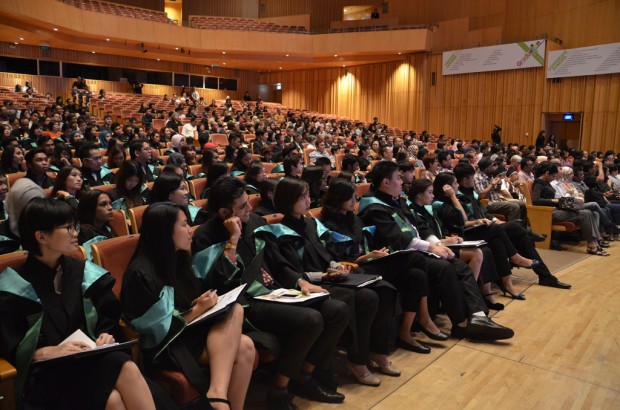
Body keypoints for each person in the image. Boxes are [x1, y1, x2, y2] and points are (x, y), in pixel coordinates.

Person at [192, 177, 350, 408]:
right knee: (311, 319)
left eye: (249, 202)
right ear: (225, 211)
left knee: (337, 310)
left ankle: (304, 376)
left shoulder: (255, 221)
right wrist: (233, 241)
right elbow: (218, 283)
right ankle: (279, 388)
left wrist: (299, 282)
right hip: (245, 302)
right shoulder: (205, 237)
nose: (250, 208)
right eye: (243, 205)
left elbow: (276, 260)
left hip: (276, 291)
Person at [0, 198, 156, 409]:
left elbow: (107, 317)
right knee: (113, 400)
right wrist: (42, 352)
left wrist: (105, 334)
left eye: (75, 226)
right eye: (68, 228)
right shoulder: (15, 286)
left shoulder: (82, 271)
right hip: (50, 374)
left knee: (124, 371)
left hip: (90, 359)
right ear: (41, 236)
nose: (76, 233)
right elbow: (8, 342)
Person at [356, 161, 515, 340]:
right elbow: (397, 239)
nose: (402, 182)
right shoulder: (373, 206)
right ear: (386, 182)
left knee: (457, 263)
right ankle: (461, 323)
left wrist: (435, 243)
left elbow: (420, 226)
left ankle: (478, 317)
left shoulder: (395, 200)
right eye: (398, 178)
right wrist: (431, 247)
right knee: (445, 267)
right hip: (393, 257)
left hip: (415, 250)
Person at [121, 202, 255, 410]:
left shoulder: (180, 258)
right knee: (244, 346)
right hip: (169, 345)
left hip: (193, 332)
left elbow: (192, 298)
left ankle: (221, 399)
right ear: (165, 231)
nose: (190, 230)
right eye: (184, 225)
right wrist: (197, 310)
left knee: (240, 322)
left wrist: (203, 302)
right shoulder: (141, 273)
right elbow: (153, 330)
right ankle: (217, 395)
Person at [255, 176, 383, 393]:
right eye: (302, 197)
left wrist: (335, 266)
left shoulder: (310, 223)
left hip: (328, 278)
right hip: (307, 284)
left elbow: (325, 253)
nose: (308, 201)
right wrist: (322, 276)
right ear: (288, 200)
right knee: (346, 302)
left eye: (307, 195)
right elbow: (287, 271)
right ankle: (321, 369)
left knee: (371, 296)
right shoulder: (277, 233)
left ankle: (360, 356)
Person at [321, 179, 448, 358]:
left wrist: (377, 253)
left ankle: (405, 331)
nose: (354, 201)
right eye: (349, 197)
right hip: (355, 269)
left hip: (370, 262)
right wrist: (365, 257)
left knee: (416, 275)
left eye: (354, 197)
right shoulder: (329, 225)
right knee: (416, 258)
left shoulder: (355, 220)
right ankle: (424, 317)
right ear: (337, 198)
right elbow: (338, 261)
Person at [452, 163, 572, 288]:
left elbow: (484, 212)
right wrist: (489, 221)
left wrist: (494, 219)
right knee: (515, 228)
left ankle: (545, 276)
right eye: (472, 177)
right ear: (465, 179)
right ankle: (528, 241)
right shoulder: (459, 197)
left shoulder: (471, 192)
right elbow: (466, 220)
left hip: (488, 226)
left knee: (519, 233)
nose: (474, 178)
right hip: (474, 231)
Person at [532, 162, 607, 256]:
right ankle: (592, 244)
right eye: (553, 176)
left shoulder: (546, 182)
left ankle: (593, 243)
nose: (553, 178)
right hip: (549, 212)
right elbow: (536, 200)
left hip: (556, 210)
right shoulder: (539, 182)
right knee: (584, 213)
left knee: (587, 212)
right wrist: (553, 200)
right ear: (547, 173)